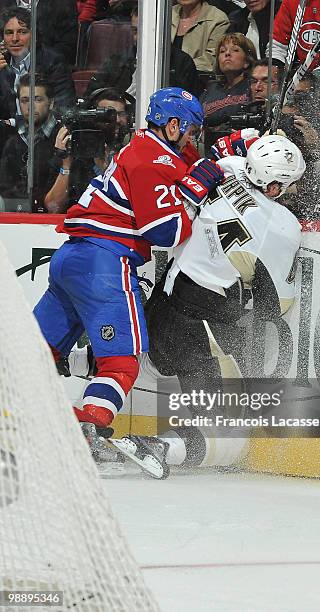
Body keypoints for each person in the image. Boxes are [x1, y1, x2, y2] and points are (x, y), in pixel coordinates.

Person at [33, 87, 224, 442]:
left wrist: (214, 161)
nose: (192, 139)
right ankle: (89, 425)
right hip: (103, 264)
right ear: (172, 125)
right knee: (122, 362)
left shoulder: (145, 149)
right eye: (191, 130)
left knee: (38, 352)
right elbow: (167, 232)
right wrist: (194, 193)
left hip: (71, 259)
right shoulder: (149, 161)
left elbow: (182, 167)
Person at [109, 134, 306, 478]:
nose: (292, 192)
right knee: (230, 435)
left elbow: (226, 150)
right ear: (273, 187)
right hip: (200, 329)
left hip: (163, 305)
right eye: (289, 186)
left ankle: (83, 406)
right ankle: (162, 447)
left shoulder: (228, 168)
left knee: (133, 363)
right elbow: (279, 303)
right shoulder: (283, 227)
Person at [44, 87, 132, 213]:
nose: (116, 120)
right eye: (109, 114)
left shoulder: (132, 152)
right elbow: (53, 206)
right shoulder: (75, 151)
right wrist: (66, 165)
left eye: (121, 114)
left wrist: (107, 171)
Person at [86, 6, 202, 99]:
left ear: (160, 29)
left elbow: (188, 107)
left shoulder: (182, 63)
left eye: (145, 30)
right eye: (135, 31)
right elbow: (91, 95)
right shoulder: (117, 61)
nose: (139, 37)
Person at [0, 7, 76, 122]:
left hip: (42, 135)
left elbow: (64, 110)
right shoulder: (2, 65)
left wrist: (14, 123)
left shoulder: (53, 62)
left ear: (34, 36)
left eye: (22, 32)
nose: (14, 39)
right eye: (9, 33)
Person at [0, 72, 60, 212]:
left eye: (37, 99)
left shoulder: (62, 138)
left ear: (51, 103)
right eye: (25, 100)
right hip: (17, 217)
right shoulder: (13, 142)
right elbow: (5, 188)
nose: (30, 106)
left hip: (53, 218)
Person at [201, 32, 256, 151]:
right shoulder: (211, 88)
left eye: (235, 50)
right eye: (222, 51)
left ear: (247, 61)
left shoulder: (254, 87)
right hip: (209, 150)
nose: (227, 53)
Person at [0, 0, 79, 66]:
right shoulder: (3, 3)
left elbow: (67, 48)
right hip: (6, 66)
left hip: (46, 70)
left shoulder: (63, 3)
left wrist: (29, 63)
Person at [172, 0, 230, 73]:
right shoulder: (165, 14)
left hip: (198, 78)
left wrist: (179, 67)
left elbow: (211, 60)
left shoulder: (218, 19)